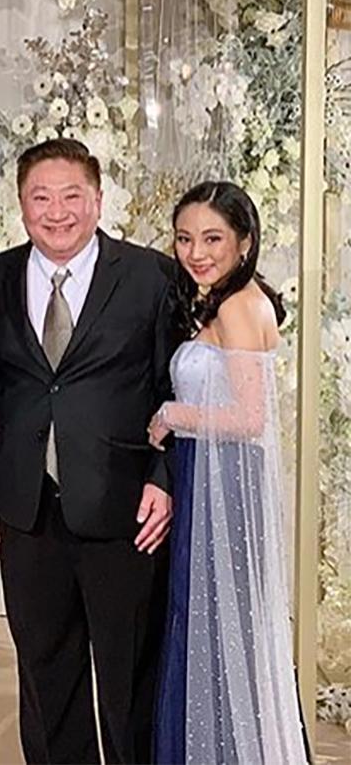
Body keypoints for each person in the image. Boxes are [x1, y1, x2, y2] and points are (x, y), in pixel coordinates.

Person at [0, 137, 174, 764]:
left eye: (71, 196)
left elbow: (174, 388)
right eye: (40, 198)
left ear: (98, 199)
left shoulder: (149, 276)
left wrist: (163, 477)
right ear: (21, 204)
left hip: (126, 509)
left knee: (131, 682)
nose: (57, 213)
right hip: (26, 510)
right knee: (45, 681)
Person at [149, 181, 307, 764]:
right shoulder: (226, 299)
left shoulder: (240, 304)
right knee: (214, 631)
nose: (197, 253)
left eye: (212, 239)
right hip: (210, 475)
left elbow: (248, 417)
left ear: (244, 241)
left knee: (220, 631)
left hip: (225, 483)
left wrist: (171, 414)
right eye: (185, 238)